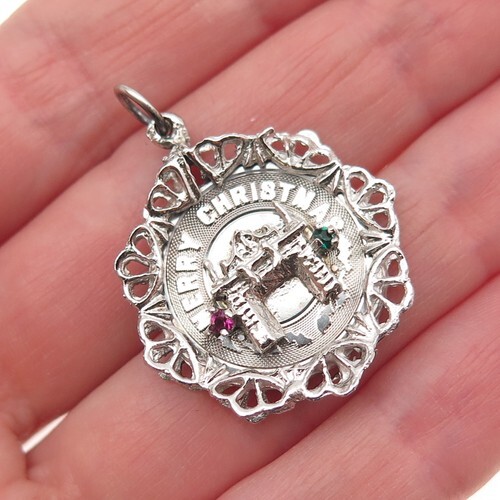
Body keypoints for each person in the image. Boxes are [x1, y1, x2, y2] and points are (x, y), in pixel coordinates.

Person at [0, 0, 499, 498]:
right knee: (252, 315)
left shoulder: (293, 226)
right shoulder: (218, 275)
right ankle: (269, 334)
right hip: (247, 295)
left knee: (316, 270)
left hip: (291, 254)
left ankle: (317, 292)